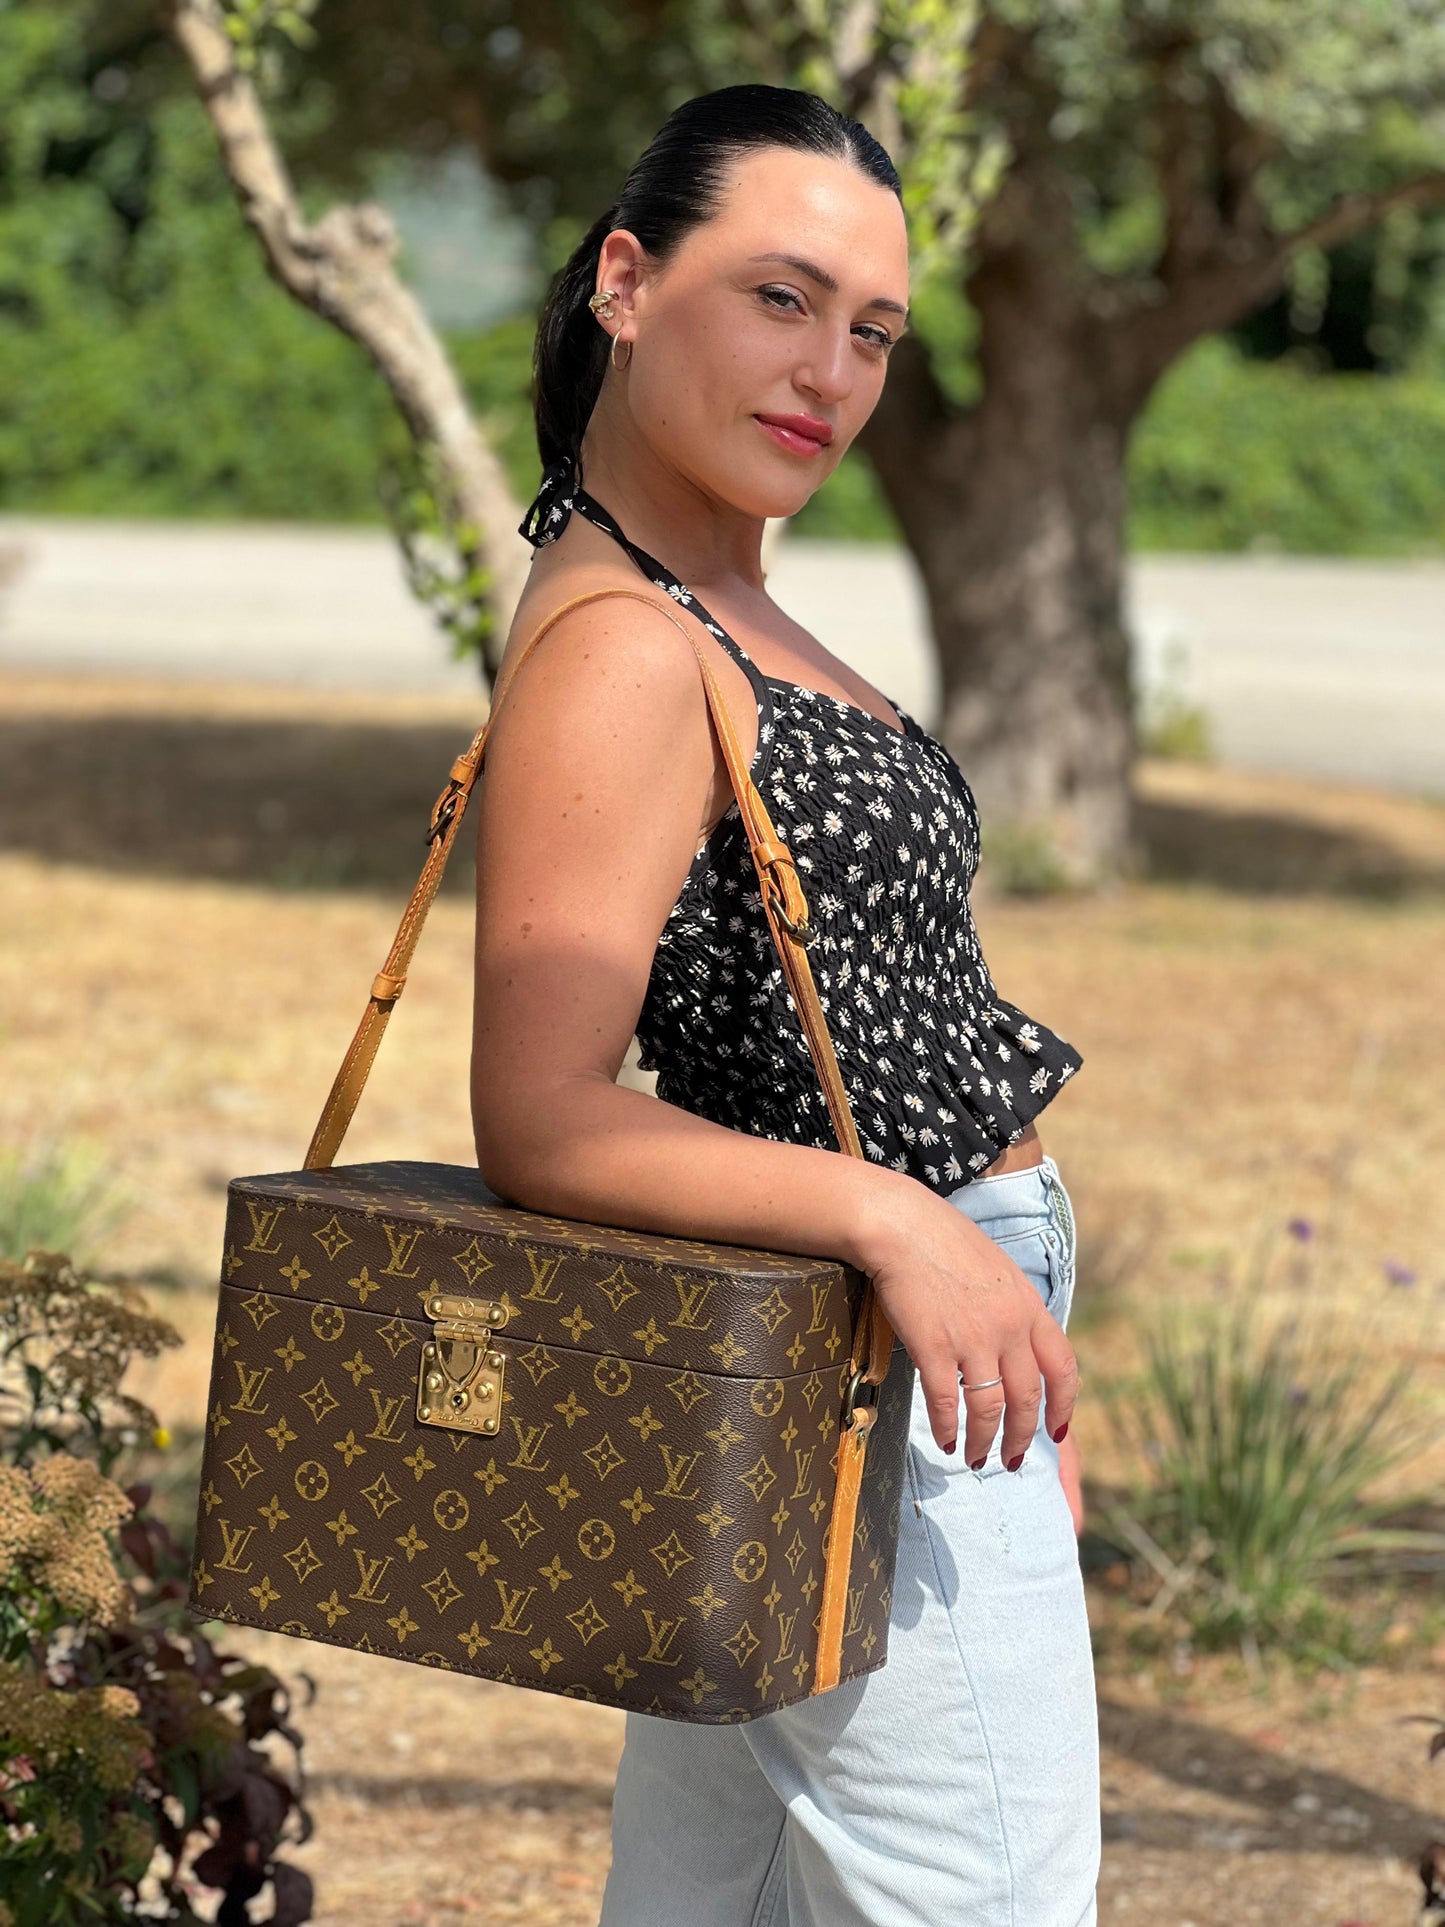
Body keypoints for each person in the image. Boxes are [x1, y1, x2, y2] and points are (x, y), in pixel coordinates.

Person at [470, 81, 1099, 1927]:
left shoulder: (712, 597)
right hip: (845, 1365)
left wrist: (1009, 1309)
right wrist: (914, 1232)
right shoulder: (626, 642)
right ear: (625, 281)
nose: (830, 371)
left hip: (899, 1346)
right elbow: (542, 1112)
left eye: (874, 332)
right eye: (779, 298)